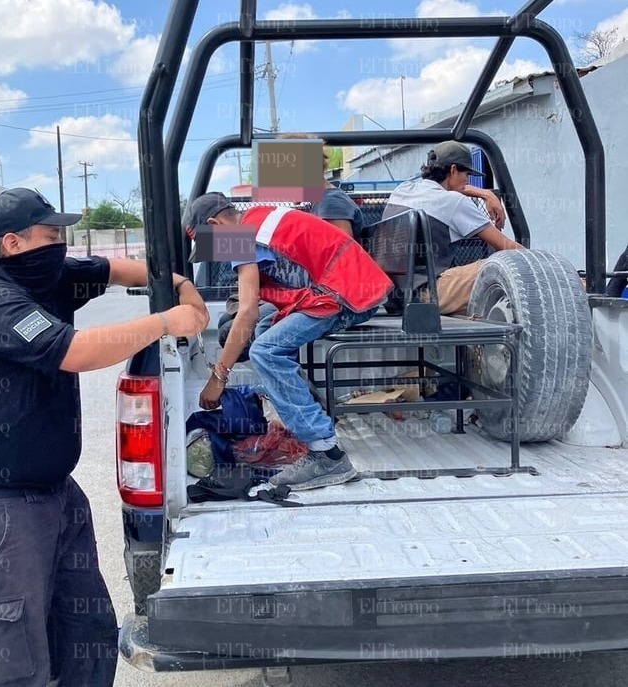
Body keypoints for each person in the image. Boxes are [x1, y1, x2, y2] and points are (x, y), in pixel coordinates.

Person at [0, 188, 208, 687]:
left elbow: (114, 269)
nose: (62, 244)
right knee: (12, 660)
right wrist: (166, 320)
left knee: (86, 633)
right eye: (52, 234)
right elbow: (75, 351)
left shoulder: (50, 277)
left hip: (56, 494)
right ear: (12, 244)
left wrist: (180, 283)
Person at [190, 192, 393, 490]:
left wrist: (218, 376)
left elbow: (245, 311)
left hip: (345, 295)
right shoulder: (258, 219)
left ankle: (326, 453)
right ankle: (308, 415)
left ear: (215, 224)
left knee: (264, 351)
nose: (215, 253)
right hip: (351, 289)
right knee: (264, 332)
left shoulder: (240, 235)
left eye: (209, 244)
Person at [217, 132, 365, 358]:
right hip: (319, 292)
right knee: (229, 320)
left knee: (236, 330)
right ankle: (286, 384)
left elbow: (340, 261)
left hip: (338, 297)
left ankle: (285, 384)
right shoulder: (319, 203)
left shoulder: (331, 203)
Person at [382, 141, 522, 314]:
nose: (467, 180)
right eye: (467, 174)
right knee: (506, 265)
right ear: (454, 170)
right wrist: (541, 262)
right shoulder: (454, 203)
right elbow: (507, 247)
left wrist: (484, 193)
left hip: (392, 296)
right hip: (424, 296)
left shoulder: (402, 190)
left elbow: (443, 188)